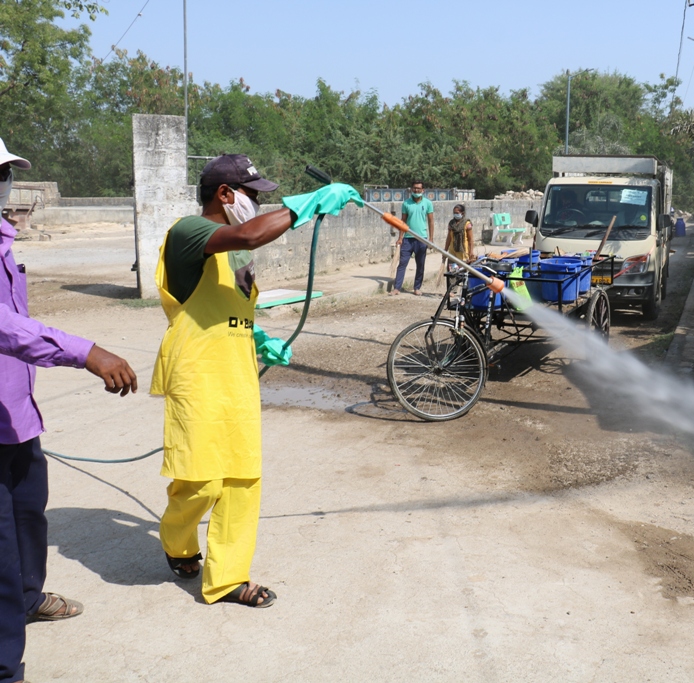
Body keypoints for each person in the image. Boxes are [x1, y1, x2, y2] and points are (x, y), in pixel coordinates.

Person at [152, 154, 361, 609]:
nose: (255, 203)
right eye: (252, 194)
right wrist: (308, 205)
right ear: (224, 195)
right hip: (198, 381)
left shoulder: (232, 260)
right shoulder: (189, 233)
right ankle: (177, 539)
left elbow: (228, 311)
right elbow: (249, 232)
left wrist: (259, 337)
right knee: (201, 483)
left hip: (238, 380)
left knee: (243, 483)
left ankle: (227, 578)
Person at [0, 137, 138, 683]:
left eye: (5, 175)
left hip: (15, 416)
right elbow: (6, 327)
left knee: (29, 517)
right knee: (1, 554)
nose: (4, 186)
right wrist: (85, 351)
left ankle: (29, 601)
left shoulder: (4, 242)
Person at [391, 181, 433, 295]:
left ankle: (417, 288)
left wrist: (431, 238)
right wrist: (400, 237)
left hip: (422, 239)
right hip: (408, 239)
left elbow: (430, 221)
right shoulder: (406, 203)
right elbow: (402, 221)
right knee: (402, 263)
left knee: (420, 264)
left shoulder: (428, 203)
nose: (416, 190)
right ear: (411, 189)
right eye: (414, 188)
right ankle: (397, 288)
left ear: (423, 190)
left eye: (419, 188)